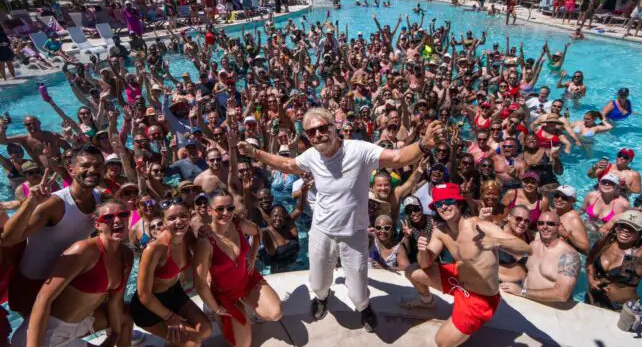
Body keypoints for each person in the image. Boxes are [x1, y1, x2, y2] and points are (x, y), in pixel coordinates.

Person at [236, 107, 443, 332]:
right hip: (321, 230)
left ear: (334, 128)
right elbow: (287, 164)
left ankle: (364, 307)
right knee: (318, 280)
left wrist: (424, 145)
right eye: (311, 132)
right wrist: (256, 154)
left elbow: (396, 157)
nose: (317, 135)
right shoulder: (312, 156)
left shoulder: (359, 150)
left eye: (322, 128)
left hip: (354, 232)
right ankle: (322, 298)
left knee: (357, 285)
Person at [400, 183, 531, 347]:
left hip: (480, 298)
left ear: (459, 203)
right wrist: (422, 251)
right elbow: (425, 264)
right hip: (458, 280)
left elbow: (526, 249)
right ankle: (427, 301)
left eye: (449, 201)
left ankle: (467, 324)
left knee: (442, 342)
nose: (444, 206)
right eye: (439, 204)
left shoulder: (478, 226)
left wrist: (497, 242)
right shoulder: (440, 231)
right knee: (412, 271)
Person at [11, 200, 134, 347]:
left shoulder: (126, 255)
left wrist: (115, 335)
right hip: (46, 335)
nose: (117, 220)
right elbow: (43, 299)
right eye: (108, 217)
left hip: (79, 325)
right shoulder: (83, 251)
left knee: (125, 317)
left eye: (123, 214)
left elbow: (115, 303)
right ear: (97, 225)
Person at [2, 145, 104, 317]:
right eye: (85, 166)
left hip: (66, 280)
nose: (93, 170)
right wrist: (30, 203)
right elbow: (7, 239)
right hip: (33, 283)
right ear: (71, 170)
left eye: (98, 166)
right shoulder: (54, 205)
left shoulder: (99, 200)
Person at [193, 190, 282, 346]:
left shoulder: (238, 224)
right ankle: (221, 314)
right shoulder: (205, 241)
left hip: (247, 280)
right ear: (209, 210)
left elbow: (258, 232)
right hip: (225, 294)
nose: (226, 213)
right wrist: (217, 308)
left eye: (230, 208)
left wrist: (253, 257)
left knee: (276, 313)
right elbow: (200, 283)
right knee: (243, 345)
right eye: (220, 209)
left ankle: (246, 304)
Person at [130, 198, 212, 345]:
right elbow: (144, 295)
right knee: (193, 342)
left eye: (183, 216)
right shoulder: (154, 249)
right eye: (172, 218)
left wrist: (204, 231)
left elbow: (201, 253)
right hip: (150, 307)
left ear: (190, 216)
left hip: (174, 293)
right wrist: (169, 316)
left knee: (205, 330)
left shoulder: (186, 235)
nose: (179, 222)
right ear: (164, 220)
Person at [501, 211, 581, 304]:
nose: (545, 227)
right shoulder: (533, 246)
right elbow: (521, 271)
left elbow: (562, 294)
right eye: (541, 223)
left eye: (550, 224)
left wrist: (521, 291)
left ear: (559, 226)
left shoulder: (569, 255)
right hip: (527, 301)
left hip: (552, 310)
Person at [586, 210, 642, 311]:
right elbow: (590, 259)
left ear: (640, 233)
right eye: (622, 226)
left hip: (620, 308)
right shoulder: (606, 241)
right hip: (593, 298)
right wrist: (591, 279)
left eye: (632, 228)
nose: (625, 230)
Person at [498, 205, 533, 284]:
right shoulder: (498, 234)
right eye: (518, 219)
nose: (522, 223)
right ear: (509, 217)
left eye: (526, 221)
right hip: (498, 283)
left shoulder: (529, 236)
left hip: (519, 286)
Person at [551, 185, 589, 255]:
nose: (559, 199)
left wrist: (567, 236)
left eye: (564, 198)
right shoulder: (555, 210)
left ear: (573, 201)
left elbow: (586, 248)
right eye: (556, 195)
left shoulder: (573, 219)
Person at [400, 195, 436, 264]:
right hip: (414, 262)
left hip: (434, 259)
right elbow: (406, 253)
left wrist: (436, 233)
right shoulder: (406, 225)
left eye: (416, 209)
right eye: (409, 211)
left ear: (421, 208)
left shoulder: (433, 221)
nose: (413, 213)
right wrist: (406, 237)